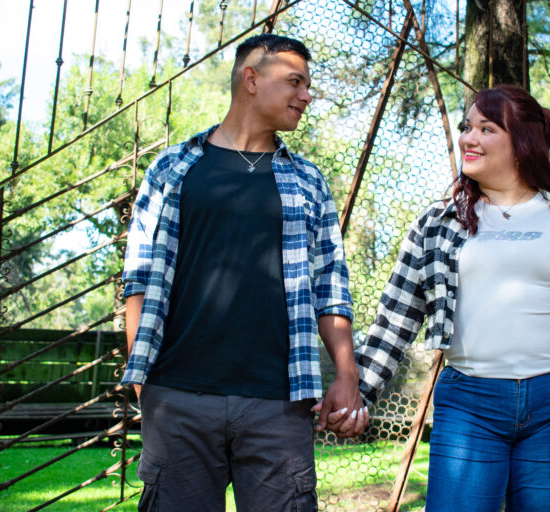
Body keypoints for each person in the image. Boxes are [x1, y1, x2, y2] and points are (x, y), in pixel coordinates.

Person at [354, 85, 550, 511]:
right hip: (470, 403)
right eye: (467, 127)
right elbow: (395, 319)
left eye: (486, 128)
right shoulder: (437, 223)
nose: (468, 137)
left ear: (522, 142)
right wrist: (356, 392)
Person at [121, 34, 368, 512]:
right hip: (178, 397)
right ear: (251, 79)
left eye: (307, 84)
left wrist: (346, 372)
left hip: (278, 402)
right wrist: (142, 377)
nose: (307, 95)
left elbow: (330, 287)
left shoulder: (307, 181)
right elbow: (140, 278)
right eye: (295, 81)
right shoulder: (172, 168)